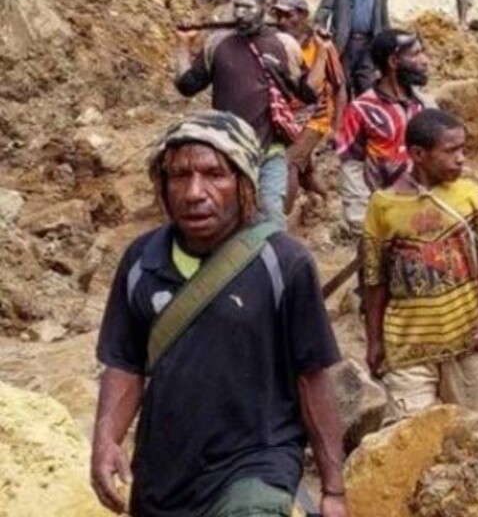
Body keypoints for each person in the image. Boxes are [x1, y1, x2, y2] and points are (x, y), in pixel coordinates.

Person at [92, 111, 347, 517]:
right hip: (164, 475)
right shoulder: (141, 260)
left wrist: (334, 490)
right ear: (162, 184)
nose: (195, 192)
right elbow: (125, 363)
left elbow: (311, 377)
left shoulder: (284, 263)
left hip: (255, 467)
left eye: (215, 175)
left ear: (244, 183)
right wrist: (106, 440)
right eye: (180, 176)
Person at [362, 108, 478, 422]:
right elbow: (374, 280)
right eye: (451, 150)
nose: (461, 158)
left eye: (463, 149)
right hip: (407, 346)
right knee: (409, 436)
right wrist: (374, 340)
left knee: (473, 431)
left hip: (468, 339)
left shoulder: (471, 195)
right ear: (418, 154)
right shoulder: (383, 206)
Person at [174, 0, 315, 228]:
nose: (240, 13)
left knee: (271, 215)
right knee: (230, 219)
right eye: (237, 6)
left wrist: (322, 52)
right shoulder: (216, 43)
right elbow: (187, 86)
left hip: (269, 151)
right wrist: (184, 45)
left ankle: (272, 264)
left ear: (266, 7)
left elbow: (307, 92)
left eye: (247, 7)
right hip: (227, 152)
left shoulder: (284, 45)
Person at [335, 30, 431, 232]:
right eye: (415, 54)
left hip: (427, 212)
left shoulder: (425, 105)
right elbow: (351, 167)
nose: (425, 61)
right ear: (393, 62)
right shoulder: (361, 110)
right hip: (385, 218)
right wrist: (360, 221)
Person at [273, 0, 347, 217]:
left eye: (288, 15)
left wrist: (337, 127)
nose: (282, 20)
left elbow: (339, 85)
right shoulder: (277, 42)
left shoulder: (321, 44)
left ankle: (280, 219)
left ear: (303, 15)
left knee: (288, 163)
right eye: (278, 15)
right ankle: (323, 201)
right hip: (287, 117)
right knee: (304, 169)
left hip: (316, 117)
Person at [316, 0, 391, 97]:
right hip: (345, 41)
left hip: (369, 43)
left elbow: (384, 19)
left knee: (366, 82)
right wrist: (320, 27)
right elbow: (325, 8)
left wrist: (386, 44)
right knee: (342, 81)